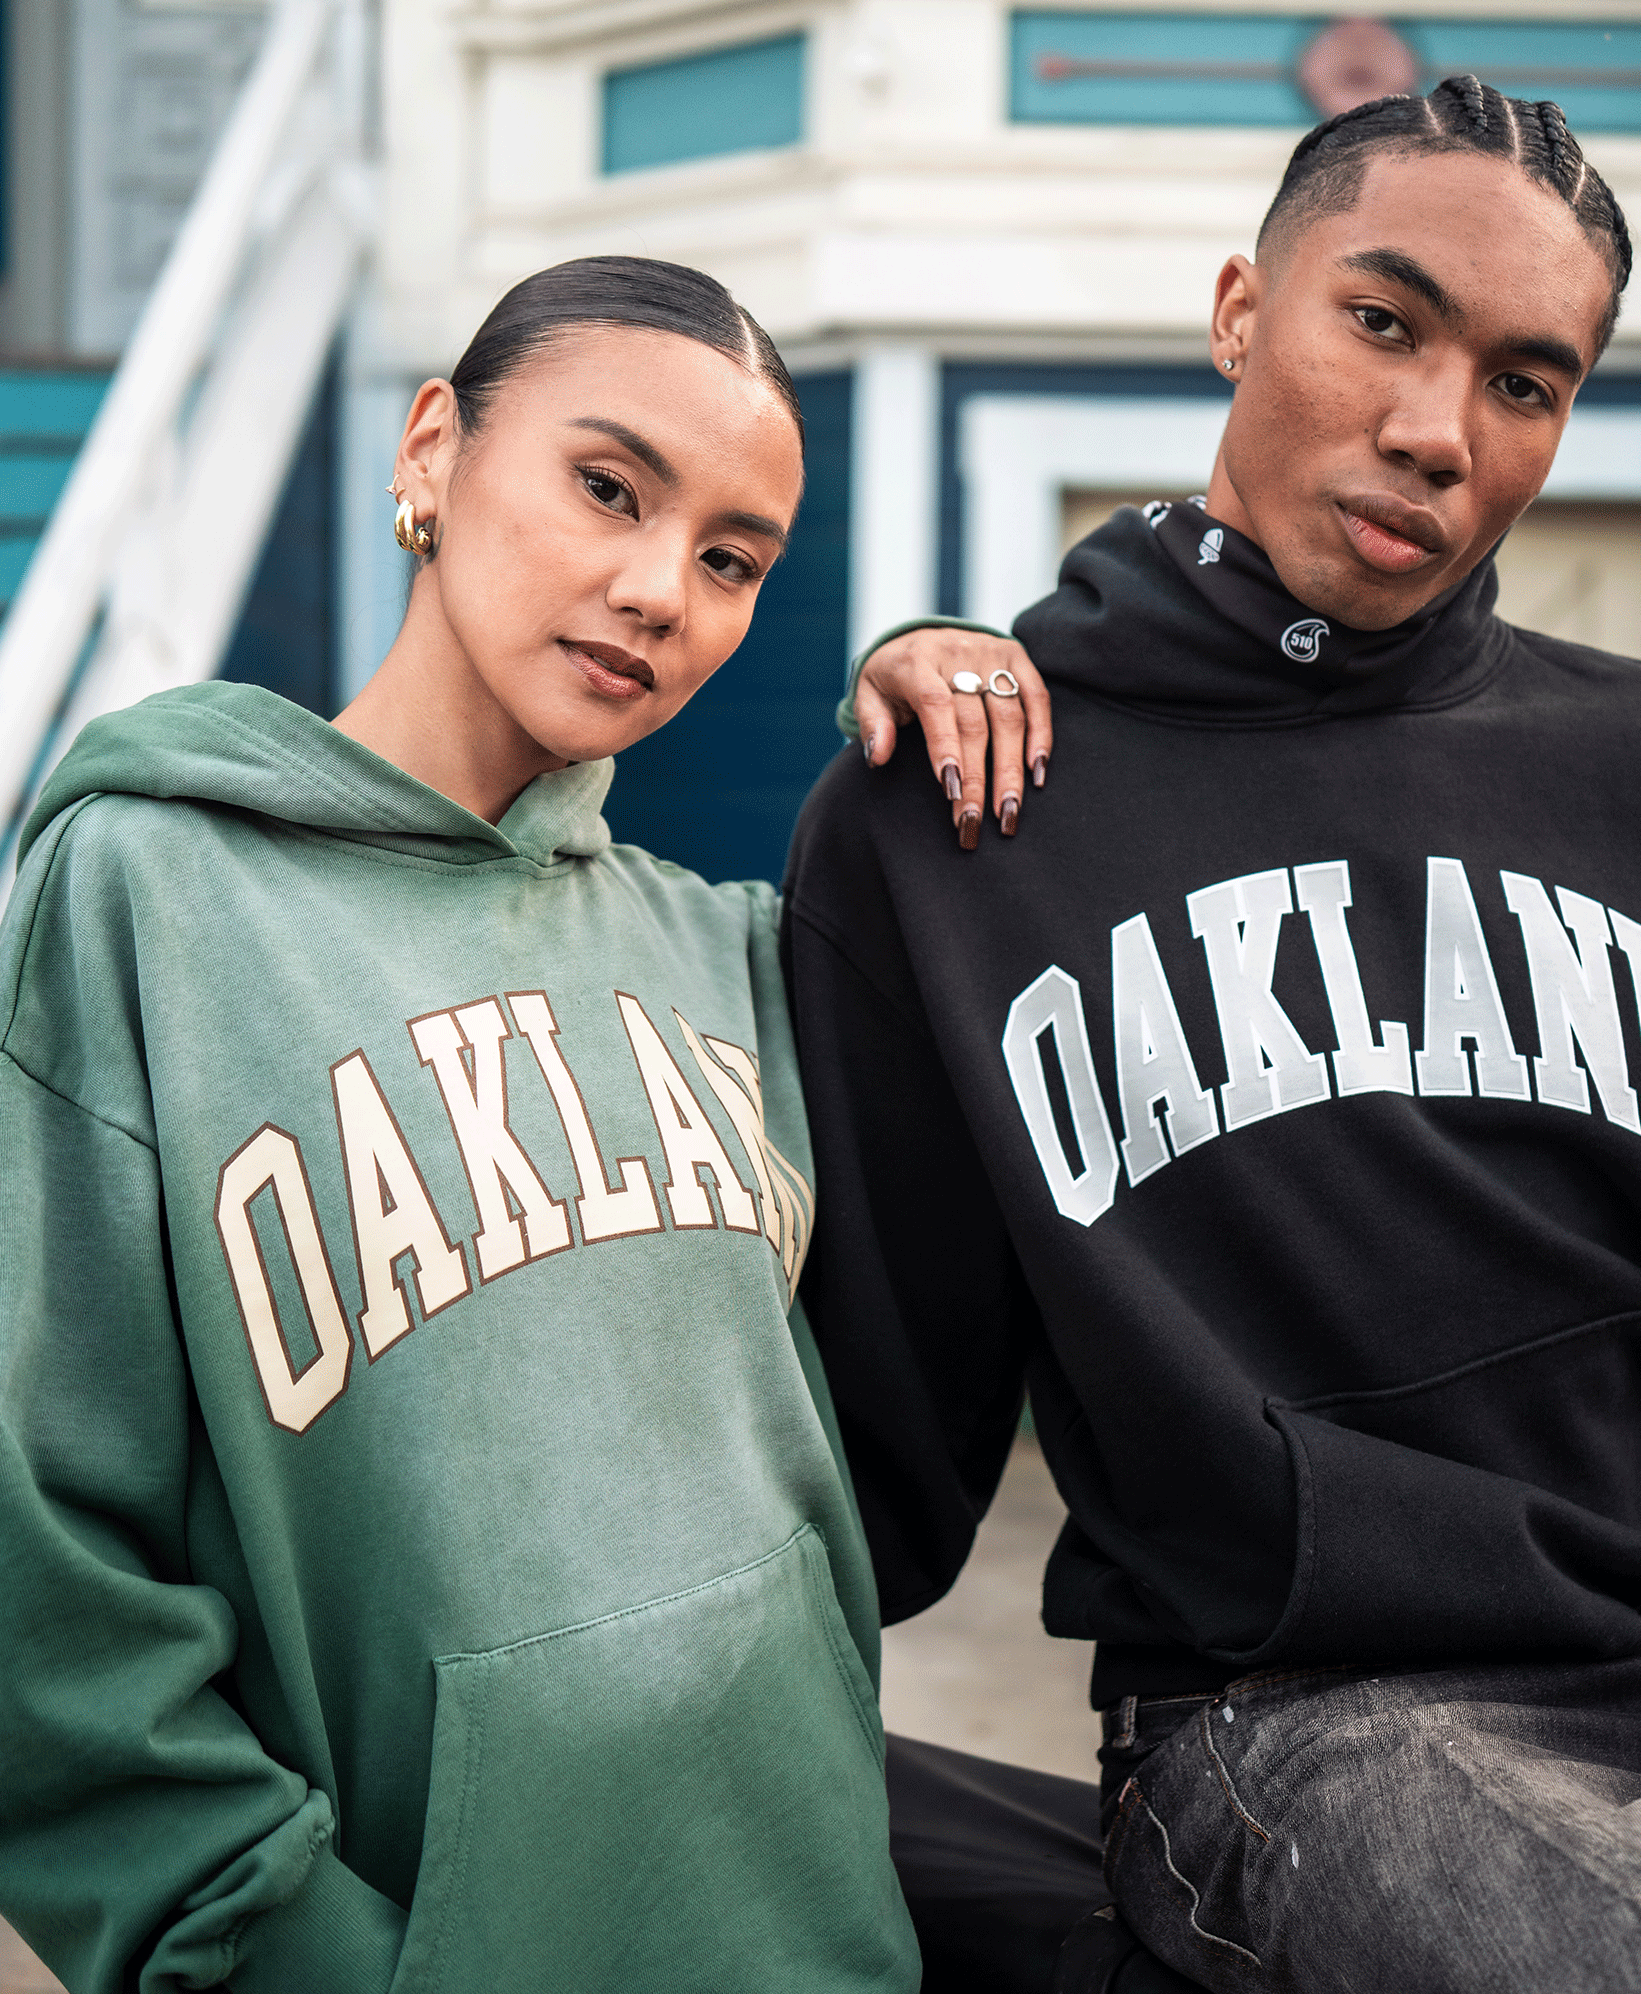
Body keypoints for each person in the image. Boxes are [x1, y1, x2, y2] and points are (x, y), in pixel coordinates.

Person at [783, 80, 1641, 1993]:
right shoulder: (962, 812)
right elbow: (879, 1454)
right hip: (1290, 1743)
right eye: (1383, 321)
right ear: (1237, 312)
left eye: (1528, 382)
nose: (1437, 431)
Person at [0, 255, 992, 1994]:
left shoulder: (735, 955)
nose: (655, 589)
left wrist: (970, 682)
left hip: (807, 1932)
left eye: (731, 559)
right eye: (608, 487)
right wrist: (274, 1947)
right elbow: (40, 1565)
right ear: (438, 447)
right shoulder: (143, 889)